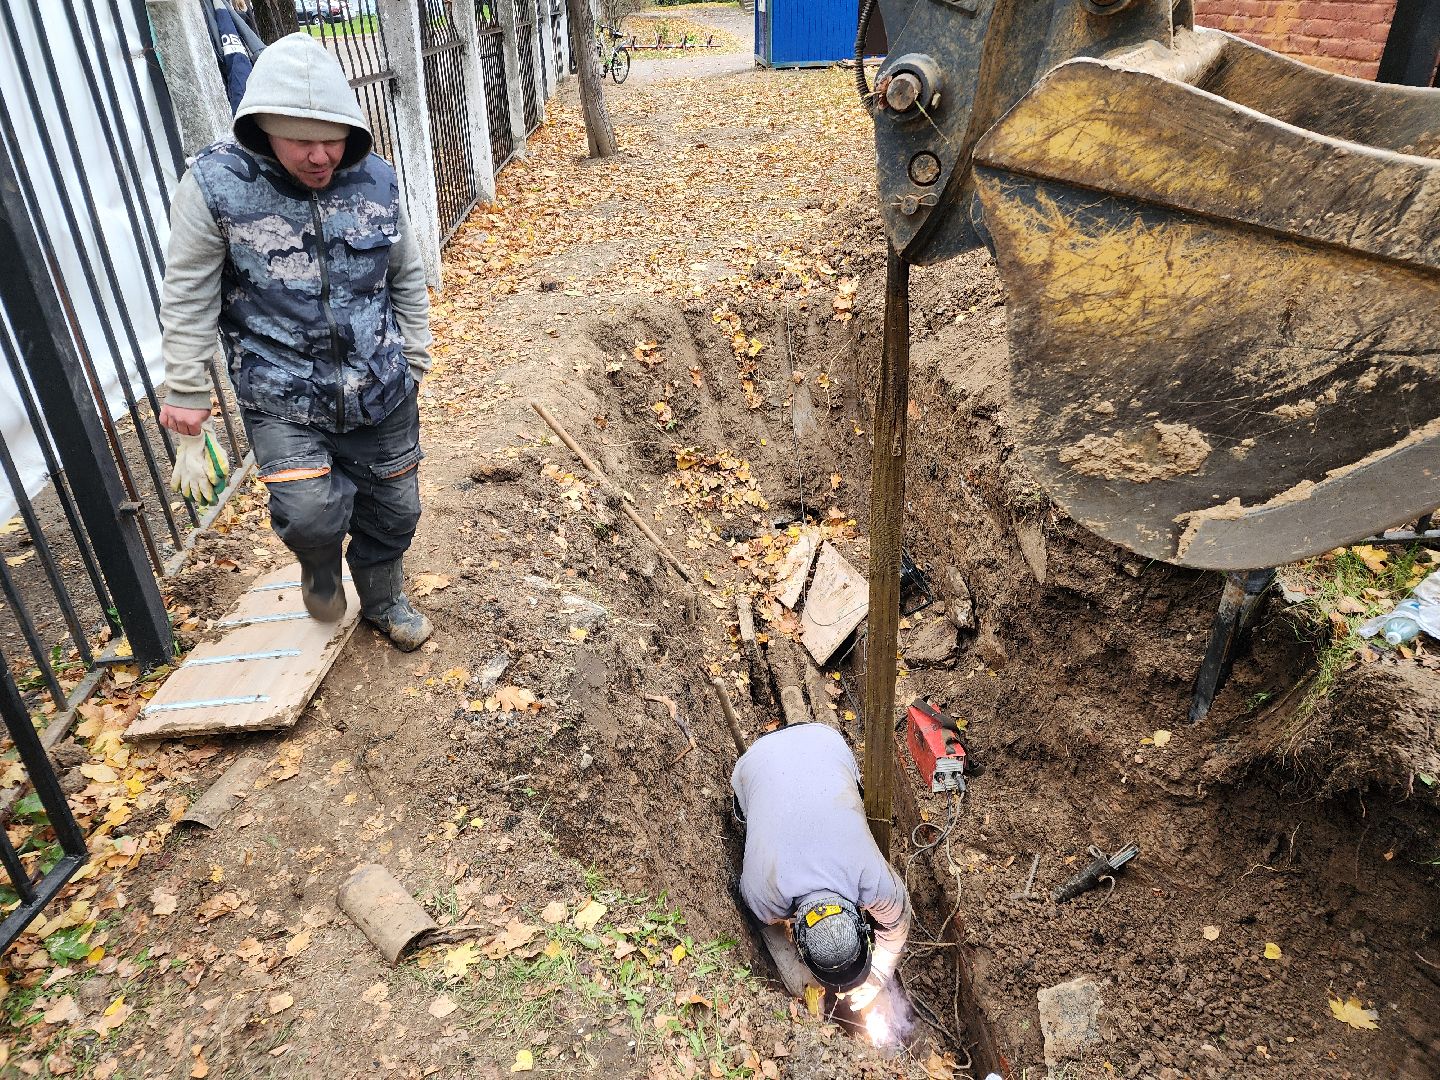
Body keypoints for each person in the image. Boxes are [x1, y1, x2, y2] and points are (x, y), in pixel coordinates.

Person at [158, 33, 434, 651]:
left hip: (381, 386)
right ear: (261, 130)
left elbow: (406, 273)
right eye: (299, 140)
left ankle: (383, 598)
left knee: (397, 509)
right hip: (281, 393)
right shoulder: (215, 187)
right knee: (310, 513)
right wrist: (186, 392)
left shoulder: (377, 181)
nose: (319, 156)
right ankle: (318, 567)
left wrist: (413, 355)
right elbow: (188, 292)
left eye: (331, 140)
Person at [731, 722, 911, 1010]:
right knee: (745, 819)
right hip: (760, 759)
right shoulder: (761, 893)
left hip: (824, 742)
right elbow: (766, 929)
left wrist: (877, 975)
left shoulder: (874, 880)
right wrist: (794, 972)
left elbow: (899, 922)